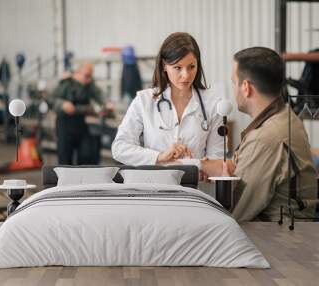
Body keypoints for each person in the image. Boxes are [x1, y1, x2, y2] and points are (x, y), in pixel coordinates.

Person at [201, 47, 318, 221]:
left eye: (234, 82)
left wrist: (223, 186)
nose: (234, 89)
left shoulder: (266, 138)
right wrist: (201, 166)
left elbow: (235, 214)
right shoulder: (285, 117)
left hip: (277, 239)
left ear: (246, 87)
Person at [112, 32, 224, 166]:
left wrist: (197, 165)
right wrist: (159, 156)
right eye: (177, 67)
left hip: (195, 185)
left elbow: (217, 157)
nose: (186, 75)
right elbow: (120, 148)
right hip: (155, 184)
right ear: (164, 65)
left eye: (191, 67)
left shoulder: (213, 104)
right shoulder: (144, 100)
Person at [52, 62, 108, 165]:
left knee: (85, 156)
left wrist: (106, 104)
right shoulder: (66, 84)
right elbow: (51, 99)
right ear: (78, 73)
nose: (89, 79)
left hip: (81, 124)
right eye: (87, 76)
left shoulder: (89, 85)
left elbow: (99, 94)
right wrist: (62, 104)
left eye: (90, 76)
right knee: (65, 158)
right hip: (65, 124)